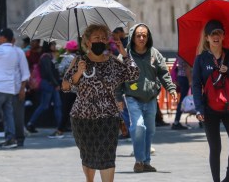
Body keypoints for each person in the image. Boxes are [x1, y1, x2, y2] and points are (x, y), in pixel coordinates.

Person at [61, 24, 139, 182]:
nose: (100, 41)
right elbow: (66, 87)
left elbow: (133, 74)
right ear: (87, 42)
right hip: (82, 117)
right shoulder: (79, 61)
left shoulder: (112, 63)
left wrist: (124, 53)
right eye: (96, 38)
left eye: (103, 38)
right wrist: (79, 72)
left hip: (108, 117)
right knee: (88, 156)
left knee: (107, 156)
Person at [116, 23, 177, 173]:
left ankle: (146, 162)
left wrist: (171, 88)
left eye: (144, 35)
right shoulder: (125, 55)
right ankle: (139, 161)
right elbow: (118, 78)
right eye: (138, 35)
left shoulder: (155, 54)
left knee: (149, 130)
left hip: (150, 99)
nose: (142, 38)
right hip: (132, 98)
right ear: (132, 37)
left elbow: (163, 73)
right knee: (138, 126)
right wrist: (118, 98)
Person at [192, 20, 229, 182]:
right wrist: (199, 109)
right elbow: (196, 85)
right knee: (215, 148)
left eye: (219, 33)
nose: (216, 37)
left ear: (224, 36)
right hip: (210, 109)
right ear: (207, 38)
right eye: (212, 34)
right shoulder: (201, 59)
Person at [26, 41, 63, 138]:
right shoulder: (46, 57)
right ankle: (59, 127)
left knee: (52, 105)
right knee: (48, 105)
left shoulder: (50, 56)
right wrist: (55, 83)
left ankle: (60, 127)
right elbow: (48, 72)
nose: (55, 46)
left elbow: (54, 70)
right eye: (53, 44)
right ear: (49, 46)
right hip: (49, 84)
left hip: (51, 84)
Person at [11, 38, 30, 147]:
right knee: (8, 116)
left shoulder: (19, 52)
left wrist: (22, 89)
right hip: (5, 89)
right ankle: (11, 137)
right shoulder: (1, 51)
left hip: (17, 89)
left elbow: (25, 72)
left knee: (18, 116)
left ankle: (19, 138)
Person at [58, 40, 78, 133]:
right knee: (75, 109)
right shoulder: (80, 58)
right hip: (77, 88)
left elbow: (60, 70)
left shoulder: (67, 58)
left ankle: (61, 129)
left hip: (67, 87)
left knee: (65, 109)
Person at [172, 56, 192, 130]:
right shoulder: (187, 54)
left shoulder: (180, 53)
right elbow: (187, 68)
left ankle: (176, 121)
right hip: (185, 78)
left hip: (180, 77)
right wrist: (190, 81)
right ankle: (176, 122)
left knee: (182, 100)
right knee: (190, 99)